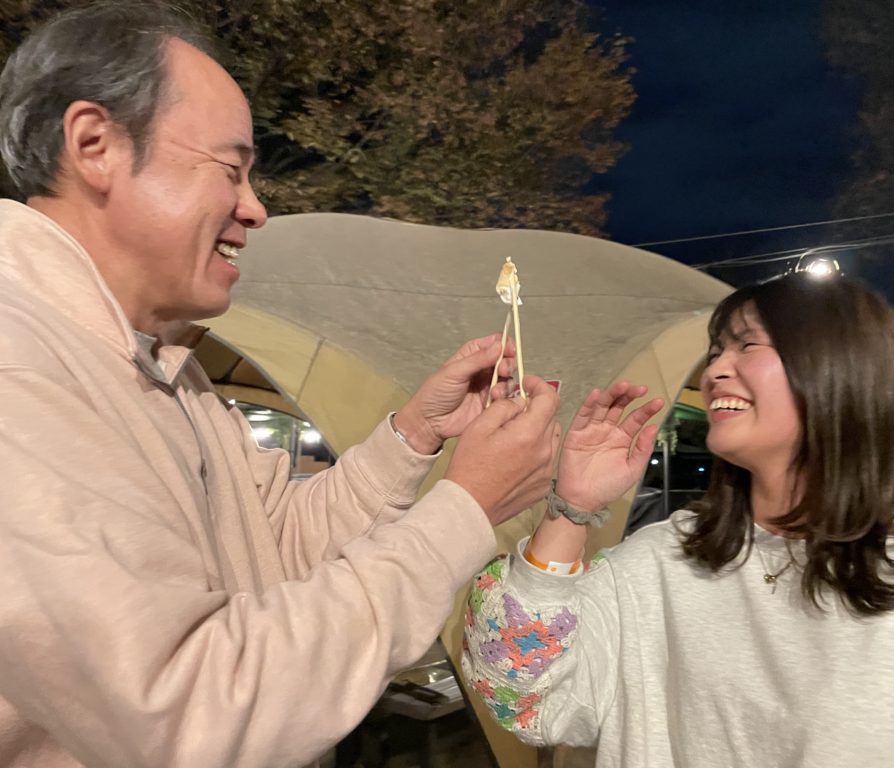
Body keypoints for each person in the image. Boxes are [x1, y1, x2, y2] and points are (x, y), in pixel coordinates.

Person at [0, 3, 561, 767]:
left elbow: (278, 544)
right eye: (230, 169)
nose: (256, 209)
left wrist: (414, 435)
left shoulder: (167, 369)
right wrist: (468, 507)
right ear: (95, 145)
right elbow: (192, 713)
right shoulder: (21, 362)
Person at [463, 274, 894, 767]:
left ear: (843, 370)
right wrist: (571, 506)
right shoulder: (658, 562)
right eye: (715, 352)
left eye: (746, 345)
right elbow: (520, 698)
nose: (715, 371)